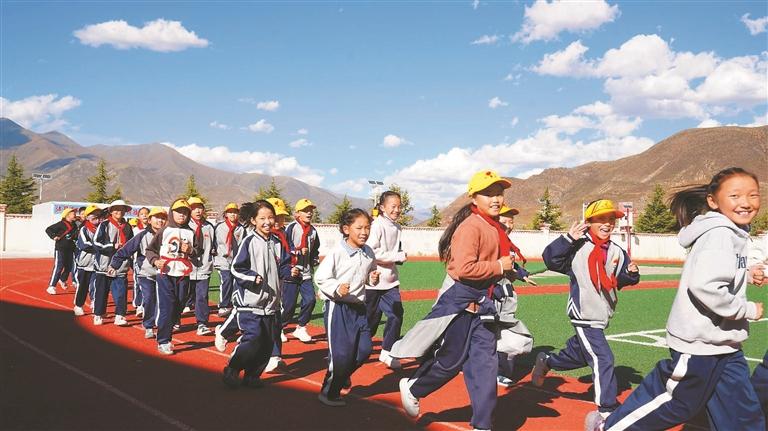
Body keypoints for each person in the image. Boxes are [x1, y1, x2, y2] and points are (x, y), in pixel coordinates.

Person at [587, 167, 765, 431]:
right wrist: (746, 309)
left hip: (725, 343)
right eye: (735, 195)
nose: (746, 202)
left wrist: (746, 274)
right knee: (677, 402)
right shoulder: (719, 234)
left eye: (753, 195)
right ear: (713, 201)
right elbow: (705, 287)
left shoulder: (732, 232)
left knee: (740, 412)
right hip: (699, 344)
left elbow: (717, 271)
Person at [396, 169, 515, 431]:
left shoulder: (494, 227)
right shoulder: (471, 227)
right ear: (474, 198)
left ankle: (482, 424)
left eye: (499, 193)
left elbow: (493, 265)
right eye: (488, 193)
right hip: (461, 305)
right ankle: (414, 387)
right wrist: (498, 266)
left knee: (485, 367)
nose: (496, 198)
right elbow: (464, 269)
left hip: (484, 308)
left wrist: (509, 271)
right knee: (450, 361)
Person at [532, 199, 640, 416]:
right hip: (583, 312)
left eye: (611, 219)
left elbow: (619, 279)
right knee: (603, 358)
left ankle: (548, 361)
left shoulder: (617, 251)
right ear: (589, 221)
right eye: (601, 219)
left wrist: (631, 274)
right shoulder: (577, 246)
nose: (607, 223)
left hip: (602, 313)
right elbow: (551, 259)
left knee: (580, 355)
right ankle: (606, 408)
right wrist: (568, 239)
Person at [222, 200, 290, 388]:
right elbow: (236, 268)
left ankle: (252, 375)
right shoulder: (249, 241)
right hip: (251, 303)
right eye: (262, 218)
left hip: (272, 304)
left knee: (267, 344)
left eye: (271, 218)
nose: (268, 222)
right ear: (253, 220)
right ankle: (233, 367)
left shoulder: (277, 242)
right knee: (253, 339)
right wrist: (252, 278)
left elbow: (284, 265)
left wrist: (290, 272)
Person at [315, 208, 380, 406]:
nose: (364, 232)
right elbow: (321, 277)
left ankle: (340, 375)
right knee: (341, 355)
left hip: (359, 308)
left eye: (367, 228)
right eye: (359, 228)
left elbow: (368, 275)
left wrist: (372, 279)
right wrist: (337, 288)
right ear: (346, 229)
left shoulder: (368, 252)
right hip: (338, 308)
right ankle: (329, 392)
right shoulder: (337, 252)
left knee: (364, 350)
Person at [145, 199, 200, 355]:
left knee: (180, 304)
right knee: (167, 306)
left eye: (185, 212)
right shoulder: (164, 230)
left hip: (183, 274)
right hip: (166, 273)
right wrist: (155, 261)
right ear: (172, 213)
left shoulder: (191, 232)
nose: (182, 215)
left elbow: (198, 251)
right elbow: (150, 250)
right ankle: (164, 340)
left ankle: (170, 321)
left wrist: (190, 250)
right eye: (178, 212)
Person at [109, 207, 167, 339]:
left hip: (165, 274)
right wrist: (114, 264)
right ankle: (149, 326)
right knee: (149, 298)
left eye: (163, 218)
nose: (160, 221)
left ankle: (164, 324)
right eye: (157, 217)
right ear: (150, 220)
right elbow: (126, 250)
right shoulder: (142, 235)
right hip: (146, 273)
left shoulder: (170, 235)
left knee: (165, 301)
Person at [365, 191, 407, 369]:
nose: (397, 210)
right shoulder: (377, 226)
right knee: (370, 321)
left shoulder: (397, 227)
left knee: (396, 315)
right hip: (373, 282)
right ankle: (358, 347)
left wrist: (398, 256)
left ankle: (387, 351)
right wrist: (397, 256)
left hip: (391, 282)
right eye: (393, 206)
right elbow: (371, 252)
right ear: (382, 207)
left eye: (399, 206)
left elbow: (393, 252)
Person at [495, 205, 537, 387]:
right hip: (492, 295)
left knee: (502, 330)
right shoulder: (491, 241)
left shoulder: (507, 243)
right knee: (495, 332)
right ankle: (498, 371)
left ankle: (500, 369)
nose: (508, 225)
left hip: (507, 295)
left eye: (511, 222)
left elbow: (512, 265)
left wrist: (522, 274)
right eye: (504, 221)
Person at [264, 197, 300, 372]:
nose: (279, 220)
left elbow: (285, 259)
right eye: (275, 216)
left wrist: (289, 270)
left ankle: (275, 356)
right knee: (257, 327)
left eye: (281, 217)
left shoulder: (281, 236)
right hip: (258, 289)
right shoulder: (254, 239)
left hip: (276, 285)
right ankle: (228, 335)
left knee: (275, 319)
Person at [282, 198, 320, 343]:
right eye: (305, 210)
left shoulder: (313, 231)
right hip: (292, 271)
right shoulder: (291, 228)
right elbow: (285, 247)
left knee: (310, 300)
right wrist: (297, 251)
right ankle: (279, 327)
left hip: (306, 272)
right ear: (297, 213)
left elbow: (315, 248)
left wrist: (314, 259)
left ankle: (301, 327)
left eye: (311, 210)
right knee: (289, 306)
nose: (309, 213)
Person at [92, 200, 134, 326]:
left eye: (122, 209)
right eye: (116, 209)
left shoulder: (128, 227)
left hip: (121, 265)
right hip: (104, 265)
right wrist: (112, 246)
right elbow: (96, 242)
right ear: (111, 211)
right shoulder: (104, 224)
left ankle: (120, 315)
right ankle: (99, 314)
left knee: (121, 292)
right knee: (101, 291)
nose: (119, 211)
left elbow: (131, 244)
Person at [185, 197, 216, 336]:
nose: (197, 211)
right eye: (194, 208)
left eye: (200, 207)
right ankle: (175, 320)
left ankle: (202, 323)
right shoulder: (184, 226)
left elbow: (214, 246)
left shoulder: (209, 227)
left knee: (202, 296)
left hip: (203, 266)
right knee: (181, 296)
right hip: (186, 268)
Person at [214, 203, 244, 318]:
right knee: (226, 280)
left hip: (236, 260)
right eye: (230, 212)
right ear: (226, 214)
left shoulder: (241, 229)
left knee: (235, 282)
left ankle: (234, 303)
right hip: (222, 259)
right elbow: (214, 241)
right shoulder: (219, 227)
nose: (233, 214)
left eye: (235, 212)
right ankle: (223, 305)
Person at [73, 205, 101, 316]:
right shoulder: (84, 229)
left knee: (96, 285)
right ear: (88, 217)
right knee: (83, 286)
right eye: (93, 215)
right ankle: (78, 305)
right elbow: (84, 244)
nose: (96, 217)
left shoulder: (102, 229)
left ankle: (95, 303)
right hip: (85, 263)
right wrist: (100, 247)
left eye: (98, 215)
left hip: (98, 263)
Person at [45, 207, 78, 294]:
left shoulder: (74, 225)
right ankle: (51, 286)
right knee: (58, 267)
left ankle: (62, 279)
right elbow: (48, 229)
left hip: (70, 249)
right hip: (60, 248)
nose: (75, 214)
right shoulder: (61, 224)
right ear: (67, 215)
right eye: (73, 213)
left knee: (69, 267)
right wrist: (53, 236)